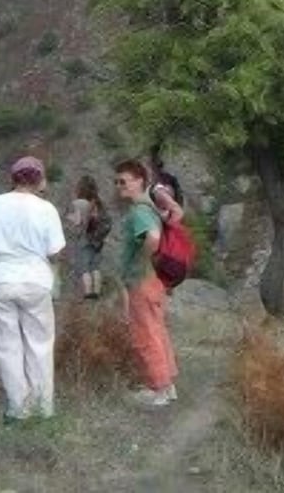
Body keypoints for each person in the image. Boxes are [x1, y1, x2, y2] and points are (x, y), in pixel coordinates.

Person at [0, 156, 65, 422]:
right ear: (40, 180)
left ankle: (18, 410)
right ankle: (43, 409)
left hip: (0, 280)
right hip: (35, 280)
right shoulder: (46, 209)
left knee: (7, 346)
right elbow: (55, 251)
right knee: (40, 344)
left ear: (13, 179)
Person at [115, 159, 178, 407]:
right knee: (157, 330)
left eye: (124, 181)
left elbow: (151, 238)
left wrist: (140, 262)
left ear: (140, 181)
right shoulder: (150, 208)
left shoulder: (140, 211)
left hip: (142, 280)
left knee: (145, 334)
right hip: (153, 281)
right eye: (117, 182)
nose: (119, 186)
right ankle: (167, 384)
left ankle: (159, 388)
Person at [66, 175, 106, 300]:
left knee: (84, 267)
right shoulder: (98, 203)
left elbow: (78, 222)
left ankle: (88, 293)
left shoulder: (78, 203)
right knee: (95, 266)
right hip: (97, 240)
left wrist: (69, 217)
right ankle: (97, 292)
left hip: (83, 238)